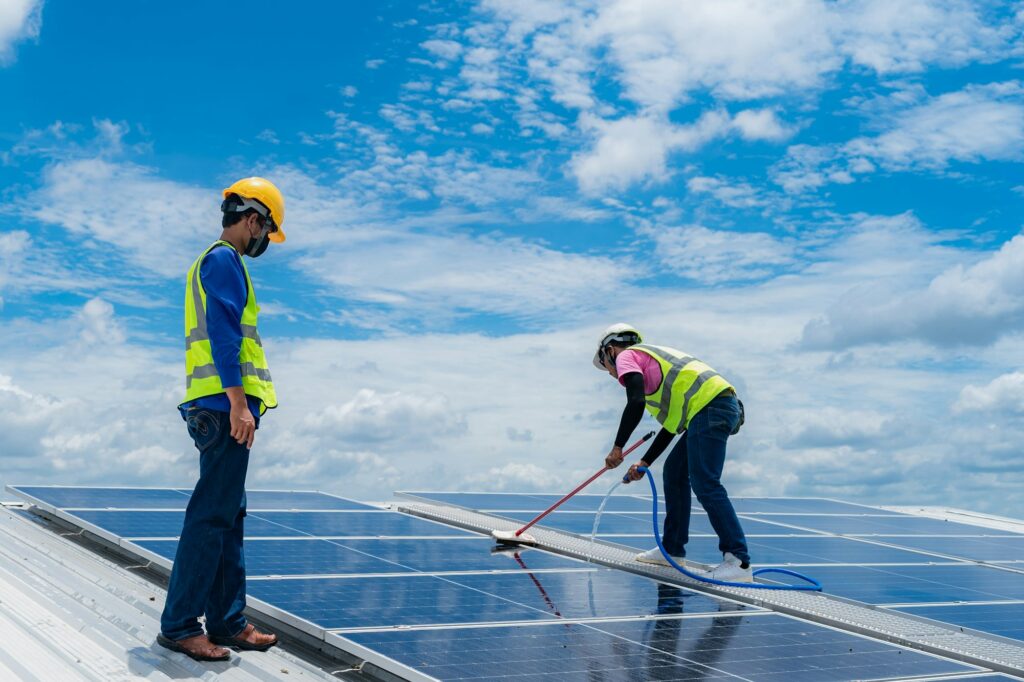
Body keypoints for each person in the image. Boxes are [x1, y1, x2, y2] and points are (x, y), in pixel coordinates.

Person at [157, 177, 286, 661]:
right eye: (266, 232)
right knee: (211, 518)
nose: (263, 243)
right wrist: (237, 403)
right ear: (252, 219)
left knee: (229, 516)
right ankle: (180, 626)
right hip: (221, 406)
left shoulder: (215, 262)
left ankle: (228, 621)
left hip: (220, 405)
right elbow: (225, 335)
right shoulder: (222, 260)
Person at [595, 323, 752, 582]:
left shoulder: (626, 356)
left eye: (606, 367)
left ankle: (738, 561)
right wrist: (644, 462)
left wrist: (618, 447)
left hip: (712, 407)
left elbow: (635, 402)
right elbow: (670, 427)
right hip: (713, 408)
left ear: (610, 350)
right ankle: (672, 550)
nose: (612, 375)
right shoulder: (655, 372)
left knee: (705, 481)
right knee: (675, 472)